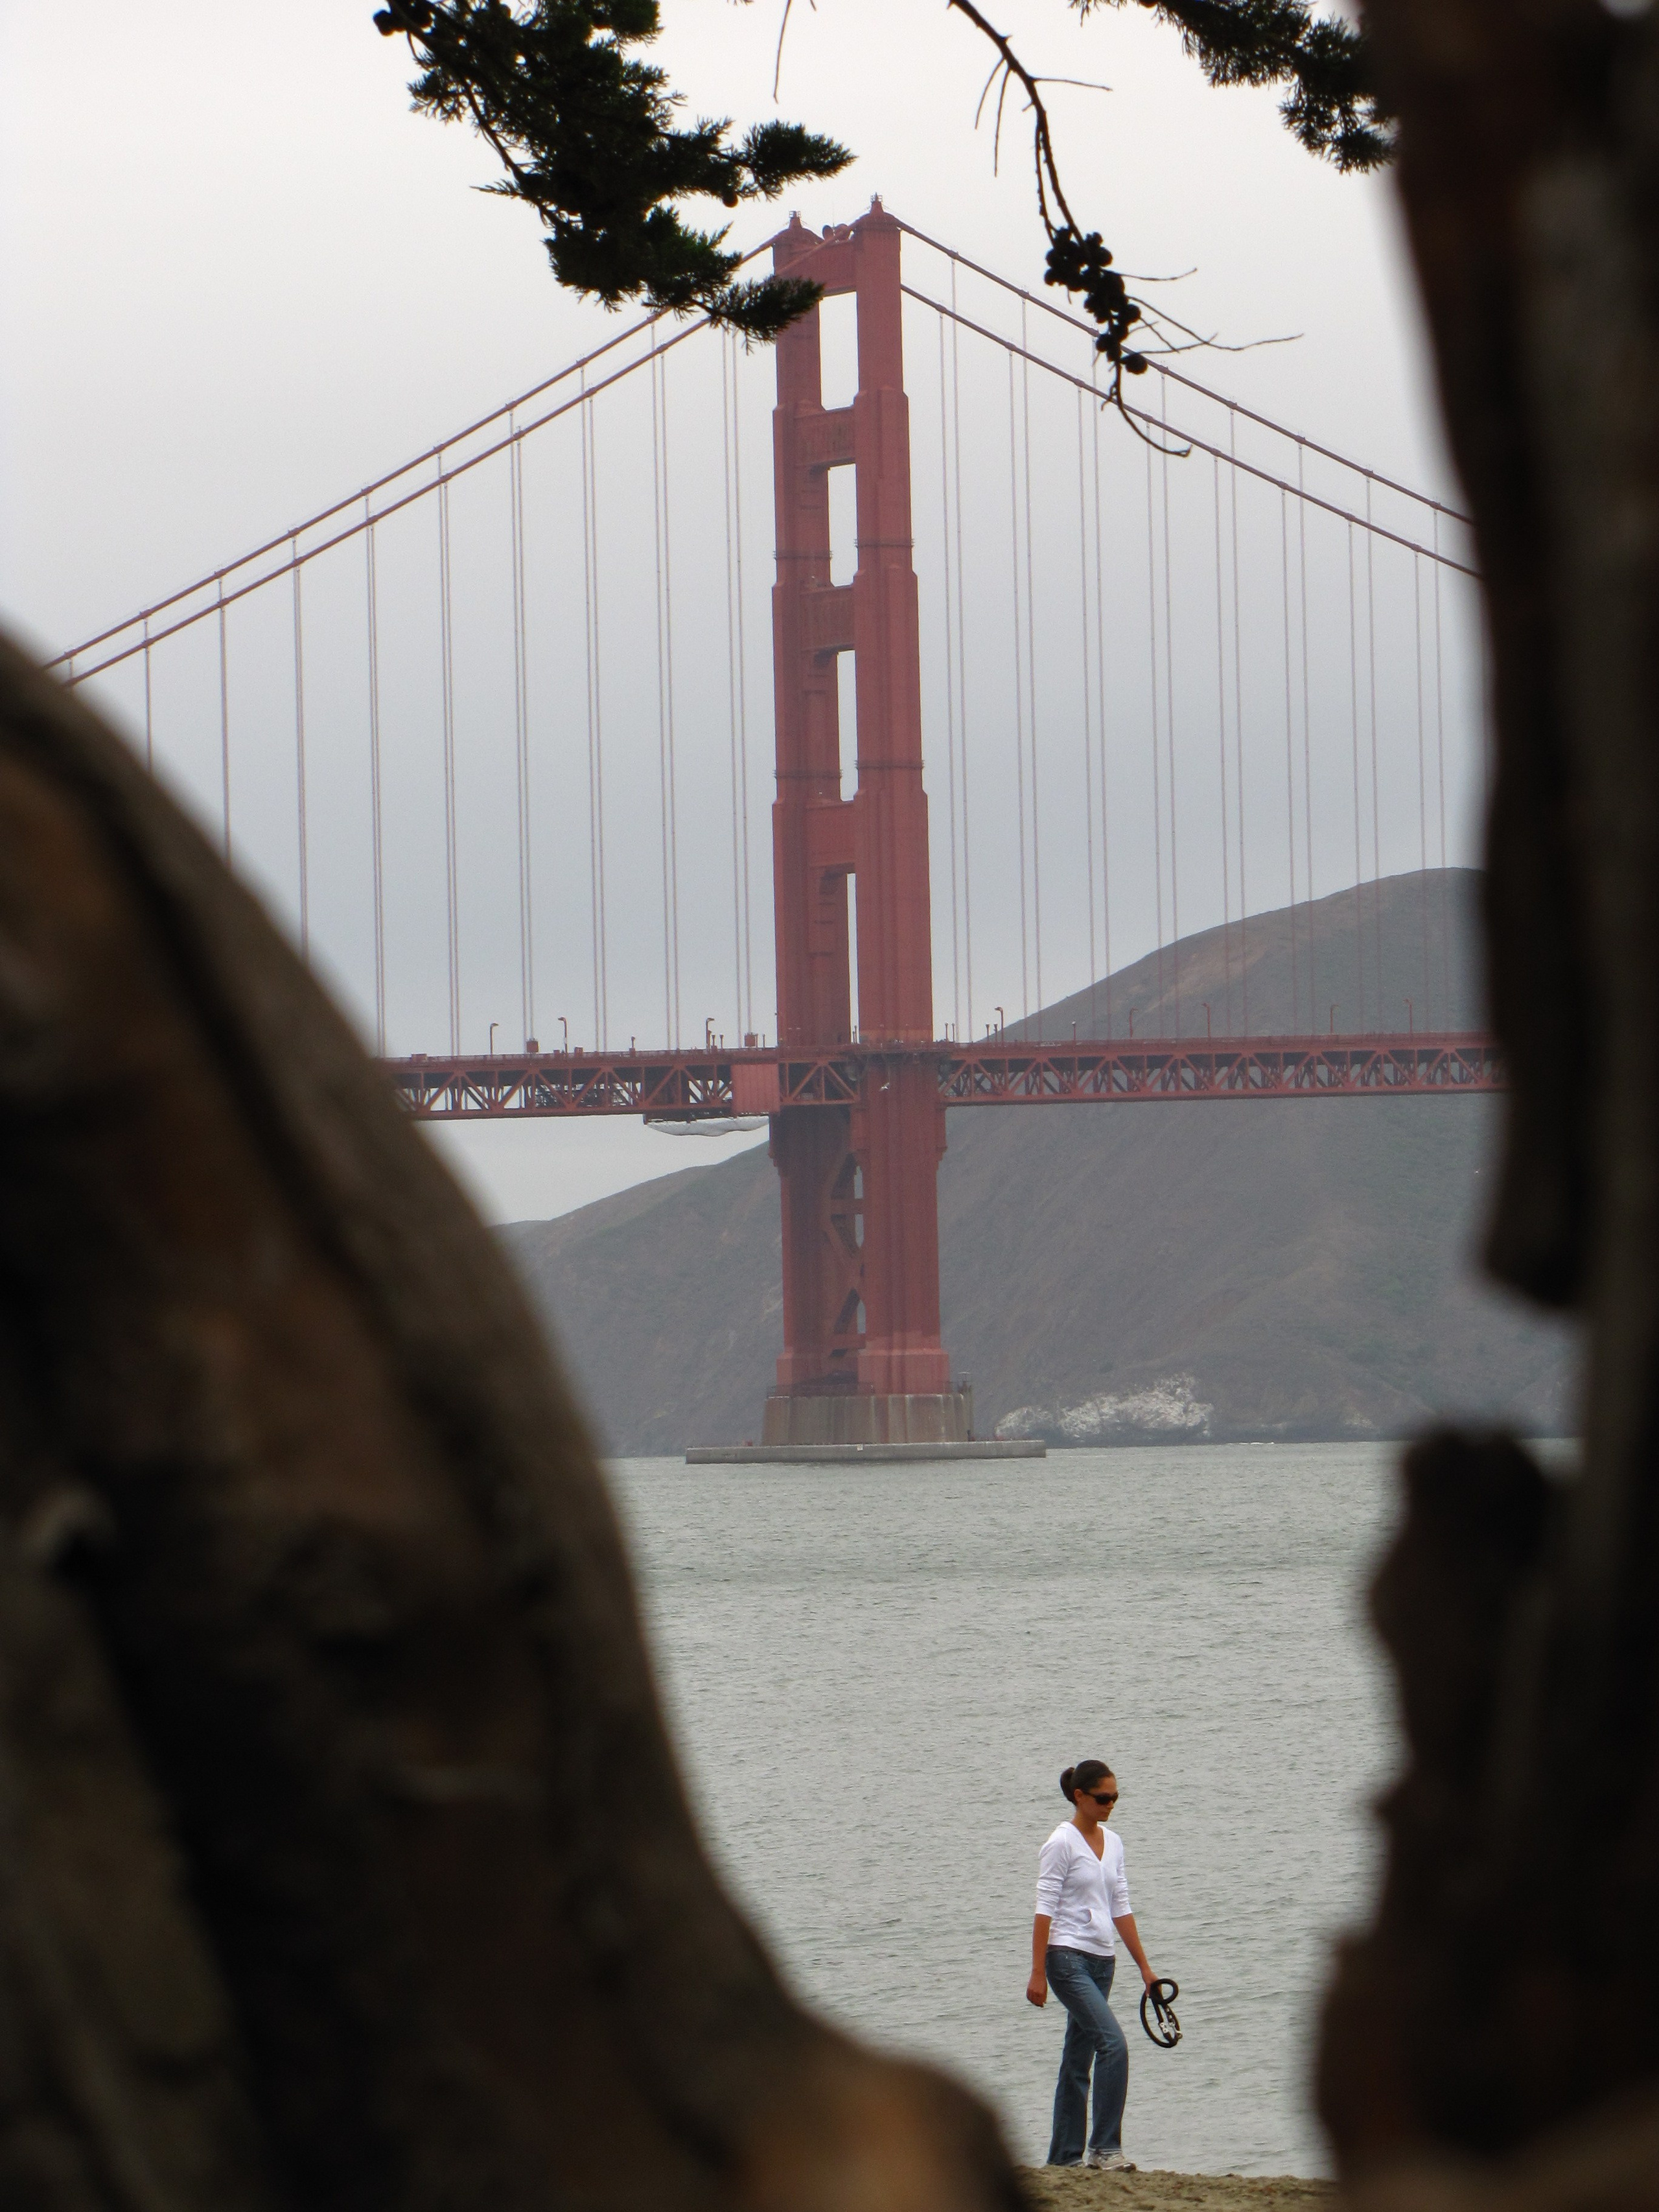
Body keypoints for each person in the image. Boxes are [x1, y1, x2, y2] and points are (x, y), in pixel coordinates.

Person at [1026, 1759, 1157, 2171]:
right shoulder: (1061, 1842)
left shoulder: (1114, 1843)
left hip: (1104, 1960)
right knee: (1113, 2045)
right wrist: (1037, 1972)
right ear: (1079, 1796)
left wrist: (1146, 1969)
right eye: (1103, 1798)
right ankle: (1105, 2149)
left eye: (1116, 1797)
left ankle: (1063, 2159)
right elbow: (1044, 1907)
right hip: (1066, 1958)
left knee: (1076, 2059)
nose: (1110, 1804)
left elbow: (1121, 1906)